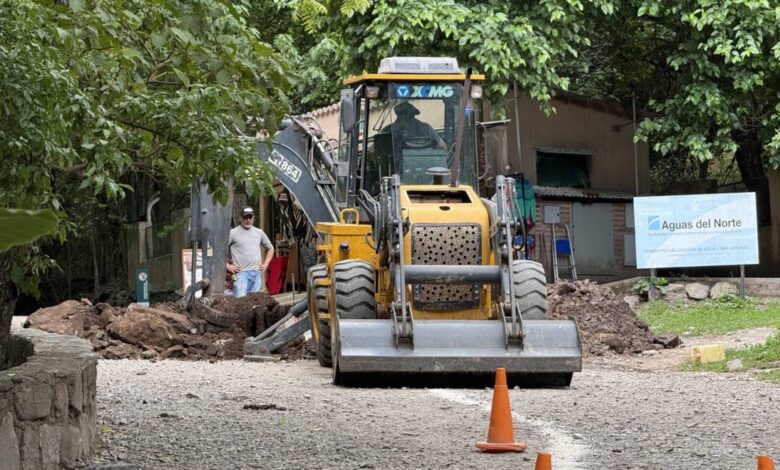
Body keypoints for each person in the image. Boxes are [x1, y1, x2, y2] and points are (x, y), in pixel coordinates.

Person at [228, 207, 274, 298]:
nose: (248, 220)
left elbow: (271, 248)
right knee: (240, 303)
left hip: (256, 274)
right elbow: (220, 250)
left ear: (253, 218)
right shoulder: (233, 233)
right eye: (245, 217)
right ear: (240, 218)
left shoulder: (259, 232)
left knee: (254, 303)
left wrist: (266, 264)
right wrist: (228, 266)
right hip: (241, 274)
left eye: (250, 217)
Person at [382, 101, 446, 150]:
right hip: (395, 166)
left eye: (408, 114)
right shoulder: (388, 130)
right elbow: (375, 150)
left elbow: (442, 147)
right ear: (398, 115)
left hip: (426, 164)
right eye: (402, 114)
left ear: (413, 115)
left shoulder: (425, 128)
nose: (405, 117)